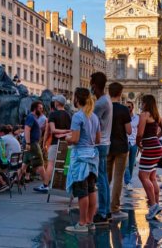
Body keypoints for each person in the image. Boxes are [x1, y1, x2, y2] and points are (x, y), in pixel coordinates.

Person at [65, 88, 100, 233]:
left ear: (77, 99)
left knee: (82, 191)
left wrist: (67, 138)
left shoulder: (78, 116)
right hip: (92, 156)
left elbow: (75, 139)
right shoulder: (94, 116)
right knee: (91, 189)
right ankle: (90, 221)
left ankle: (82, 223)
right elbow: (98, 139)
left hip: (80, 158)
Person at [136, 95, 162, 220]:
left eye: (142, 102)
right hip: (157, 147)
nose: (141, 104)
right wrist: (156, 137)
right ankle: (156, 204)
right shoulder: (156, 115)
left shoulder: (144, 115)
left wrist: (139, 143)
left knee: (142, 176)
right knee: (152, 176)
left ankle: (153, 206)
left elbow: (140, 133)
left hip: (149, 148)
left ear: (145, 103)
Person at [91, 72, 113, 225]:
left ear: (94, 85)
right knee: (104, 178)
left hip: (100, 144)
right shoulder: (106, 100)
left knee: (101, 180)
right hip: (105, 143)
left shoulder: (100, 103)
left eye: (91, 83)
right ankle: (107, 210)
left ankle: (103, 212)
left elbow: (91, 121)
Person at [107, 82, 131, 220]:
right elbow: (128, 130)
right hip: (121, 146)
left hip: (107, 145)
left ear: (109, 92)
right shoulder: (123, 110)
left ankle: (103, 206)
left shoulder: (105, 108)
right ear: (120, 93)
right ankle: (114, 207)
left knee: (106, 178)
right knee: (118, 178)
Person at [19, 101, 49, 193]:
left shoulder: (33, 118)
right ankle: (45, 185)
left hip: (31, 143)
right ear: (35, 108)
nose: (42, 110)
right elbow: (27, 130)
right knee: (40, 164)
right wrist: (28, 143)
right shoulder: (31, 117)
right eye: (40, 108)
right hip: (32, 144)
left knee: (25, 164)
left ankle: (14, 180)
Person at [44, 95, 71, 186]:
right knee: (62, 165)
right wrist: (66, 131)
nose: (54, 103)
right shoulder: (68, 115)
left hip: (55, 143)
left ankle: (45, 185)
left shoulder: (53, 114)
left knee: (50, 164)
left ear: (58, 103)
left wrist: (44, 143)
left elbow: (53, 130)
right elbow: (70, 130)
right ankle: (60, 184)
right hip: (66, 143)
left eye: (55, 101)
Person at [124, 101, 139, 191]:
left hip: (134, 142)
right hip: (124, 142)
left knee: (131, 163)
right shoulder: (122, 117)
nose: (127, 109)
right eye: (126, 107)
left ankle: (127, 180)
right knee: (125, 164)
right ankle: (128, 182)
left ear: (132, 108)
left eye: (129, 107)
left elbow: (140, 130)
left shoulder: (137, 118)